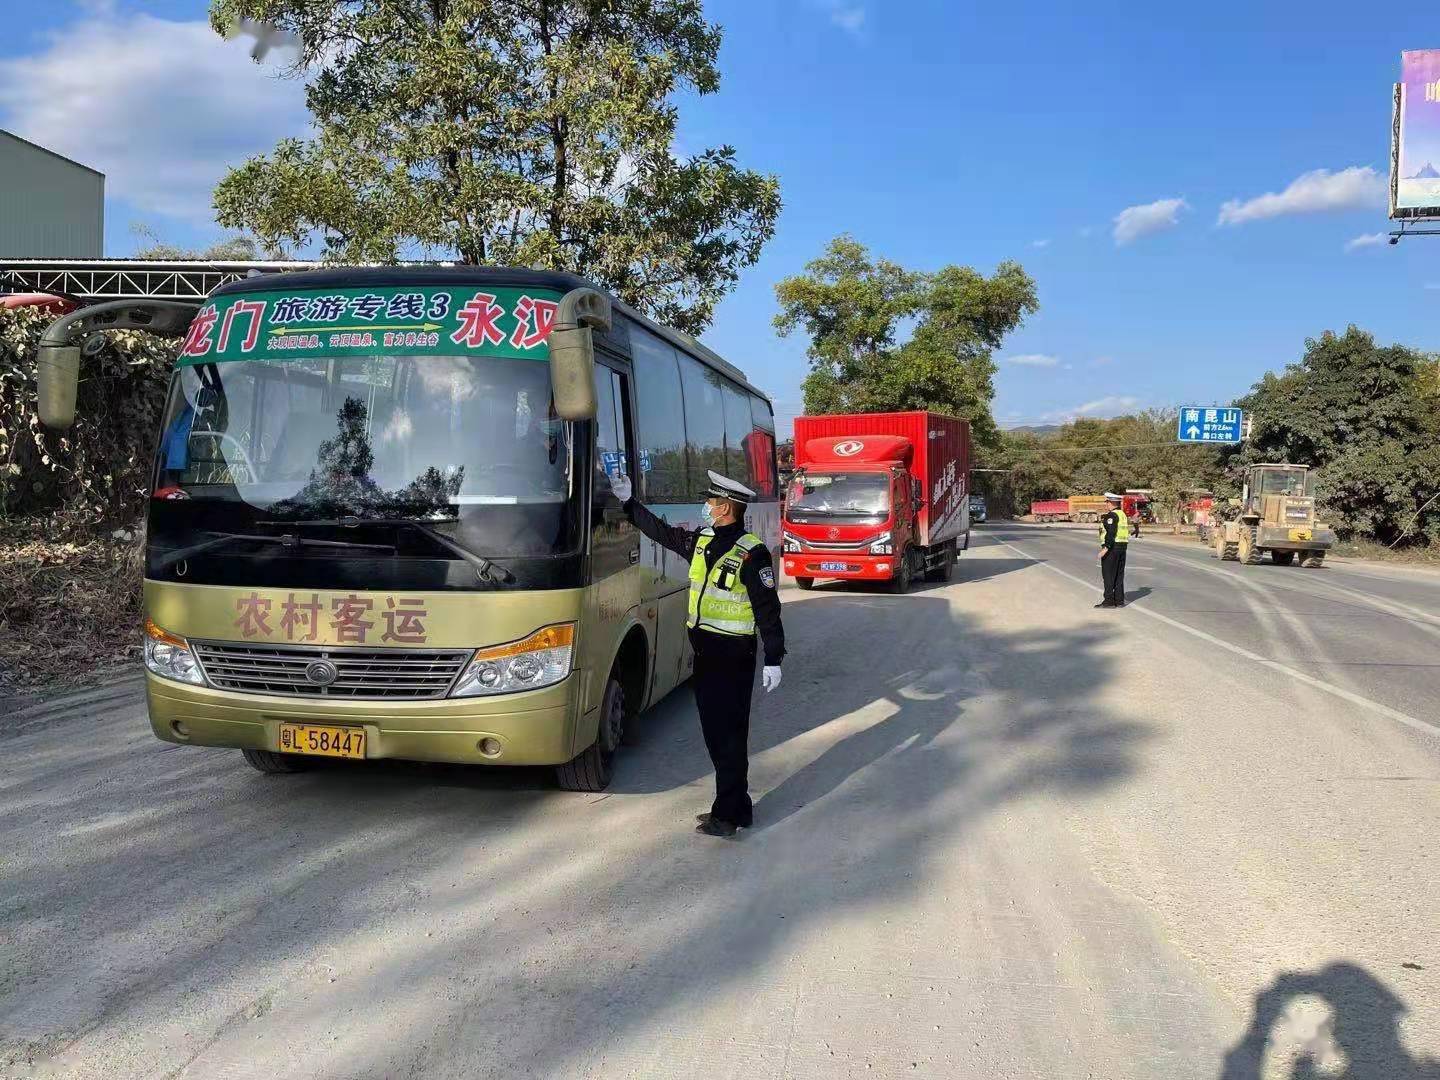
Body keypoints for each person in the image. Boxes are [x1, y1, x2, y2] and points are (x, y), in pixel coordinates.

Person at [610, 468, 785, 838]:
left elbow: (767, 607)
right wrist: (629, 502)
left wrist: (773, 656)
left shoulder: (751, 553)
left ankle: (727, 815)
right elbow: (663, 533)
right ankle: (738, 806)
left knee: (728, 736)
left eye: (709, 501)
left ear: (724, 507)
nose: (705, 506)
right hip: (705, 652)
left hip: (734, 654)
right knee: (716, 733)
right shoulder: (704, 540)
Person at [1096, 491, 1129, 608]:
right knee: (1119, 575)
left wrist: (1106, 548)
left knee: (1108, 575)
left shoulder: (1111, 515)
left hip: (1112, 549)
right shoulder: (1122, 514)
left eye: (1107, 502)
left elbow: (1111, 532)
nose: (1106, 504)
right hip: (1122, 548)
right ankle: (1119, 600)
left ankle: (1109, 601)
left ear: (1111, 502)